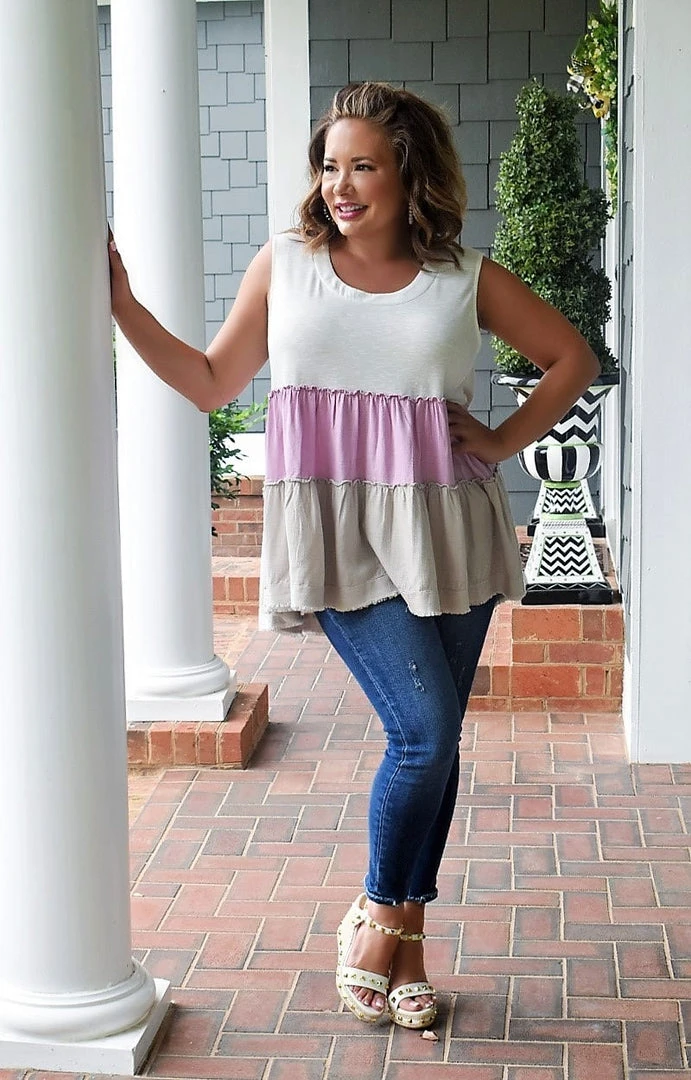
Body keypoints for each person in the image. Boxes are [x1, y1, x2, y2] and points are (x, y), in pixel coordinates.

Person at [109, 82, 599, 1030]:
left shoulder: (463, 276)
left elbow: (570, 358)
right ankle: (378, 915)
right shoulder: (287, 266)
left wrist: (502, 440)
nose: (338, 184)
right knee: (422, 732)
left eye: (362, 165)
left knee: (437, 742)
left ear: (409, 174)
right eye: (329, 165)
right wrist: (123, 304)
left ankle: (407, 942)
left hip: (448, 529)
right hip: (337, 536)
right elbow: (210, 382)